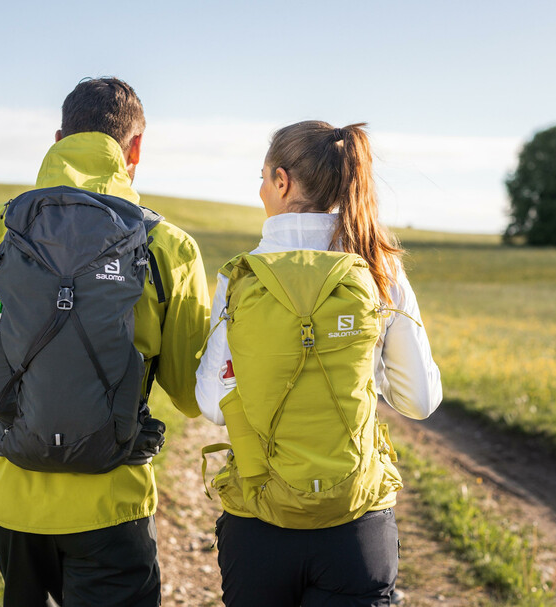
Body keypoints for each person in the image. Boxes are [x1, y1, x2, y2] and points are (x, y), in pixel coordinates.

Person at [0, 77, 211, 607]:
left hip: (7, 495)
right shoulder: (169, 245)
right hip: (109, 504)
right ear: (135, 148)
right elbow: (190, 396)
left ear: (57, 139)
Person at [196, 120, 442, 606]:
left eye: (264, 177)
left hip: (260, 521)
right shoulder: (379, 268)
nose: (260, 188)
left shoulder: (243, 276)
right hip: (355, 526)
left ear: (282, 181)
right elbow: (420, 401)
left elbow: (212, 404)